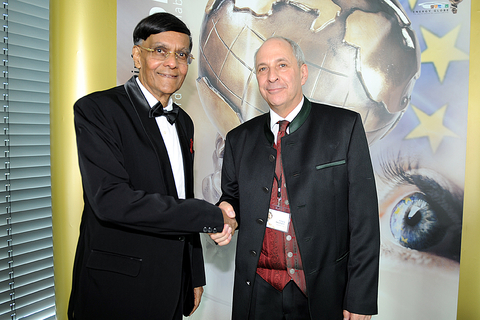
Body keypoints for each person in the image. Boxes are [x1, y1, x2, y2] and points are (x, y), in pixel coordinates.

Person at [68, 13, 236, 320]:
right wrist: (211, 215)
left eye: (182, 55)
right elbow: (111, 201)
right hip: (116, 290)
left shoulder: (184, 121)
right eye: (160, 51)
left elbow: (180, 197)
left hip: (173, 285)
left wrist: (194, 274)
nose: (172, 63)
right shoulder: (97, 110)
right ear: (136, 54)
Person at [210, 36, 380, 320]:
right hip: (257, 291)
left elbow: (364, 221)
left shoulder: (344, 128)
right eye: (262, 69)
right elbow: (233, 199)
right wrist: (226, 214)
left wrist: (360, 297)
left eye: (282, 65)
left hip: (322, 293)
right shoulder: (239, 139)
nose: (272, 76)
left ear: (303, 72)